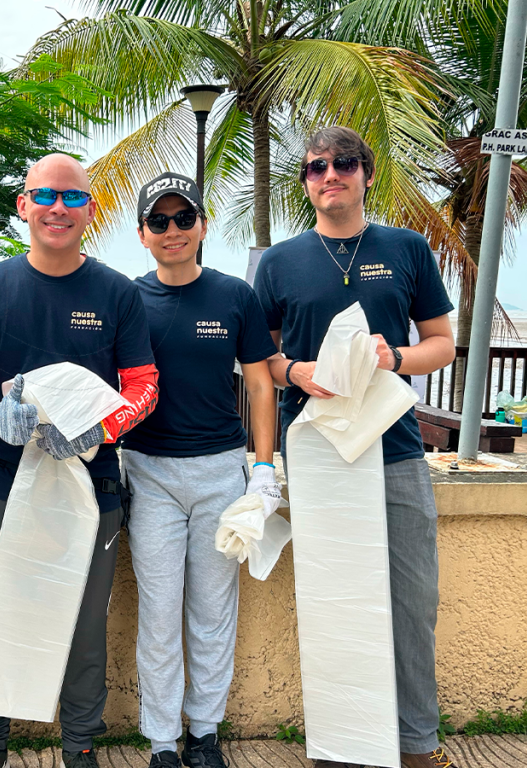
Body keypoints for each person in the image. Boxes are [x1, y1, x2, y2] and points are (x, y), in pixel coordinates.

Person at [253, 127, 457, 768]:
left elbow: (442, 343)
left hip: (393, 450)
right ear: (306, 180)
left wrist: (392, 356)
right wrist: (296, 372)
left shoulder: (406, 248)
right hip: (315, 457)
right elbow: (258, 360)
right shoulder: (280, 261)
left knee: (411, 601)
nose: (329, 174)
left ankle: (416, 746)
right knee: (332, 601)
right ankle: (341, 747)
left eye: (343, 164)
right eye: (317, 166)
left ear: (366, 173)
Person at [0, 153, 159, 768]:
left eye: (73, 199)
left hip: (92, 486)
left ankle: (81, 745)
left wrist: (102, 427)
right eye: (45, 196)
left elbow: (144, 384)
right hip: (1, 481)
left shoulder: (117, 293)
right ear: (23, 205)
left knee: (85, 622)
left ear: (88, 211)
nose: (58, 209)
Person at [119, 172, 280, 768]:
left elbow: (261, 383)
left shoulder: (235, 296)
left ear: (202, 226)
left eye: (183, 219)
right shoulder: (127, 298)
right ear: (142, 234)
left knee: (213, 612)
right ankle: (163, 740)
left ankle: (204, 733)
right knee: (160, 615)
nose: (172, 231)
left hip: (220, 472)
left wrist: (263, 467)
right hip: (149, 472)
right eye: (158, 222)